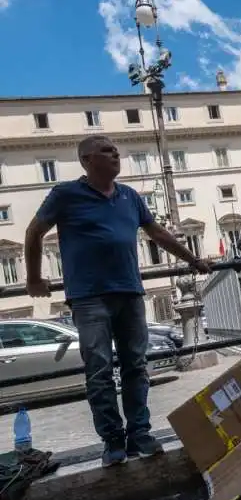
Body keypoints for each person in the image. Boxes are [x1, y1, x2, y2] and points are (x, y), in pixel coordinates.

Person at [24, 135, 212, 467]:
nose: (116, 155)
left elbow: (158, 234)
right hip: (89, 297)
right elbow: (34, 232)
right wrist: (34, 278)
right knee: (98, 370)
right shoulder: (65, 194)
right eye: (107, 151)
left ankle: (139, 433)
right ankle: (113, 441)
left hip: (130, 291)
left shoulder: (129, 196)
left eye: (116, 151)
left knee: (136, 367)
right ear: (86, 160)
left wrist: (192, 259)